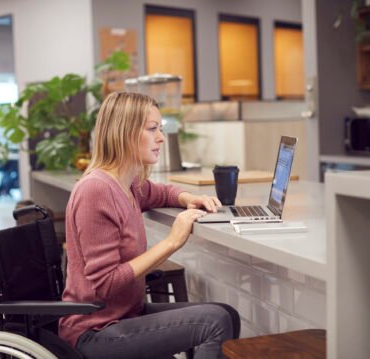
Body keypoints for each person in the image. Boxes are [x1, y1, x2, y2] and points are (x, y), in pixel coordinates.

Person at [59, 92, 240, 359]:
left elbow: (160, 192)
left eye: (161, 129)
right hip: (95, 331)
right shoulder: (95, 190)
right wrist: (172, 241)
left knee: (228, 314)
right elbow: (105, 284)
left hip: (126, 315)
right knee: (214, 322)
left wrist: (191, 198)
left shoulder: (126, 183)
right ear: (125, 133)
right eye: (152, 129)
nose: (161, 138)